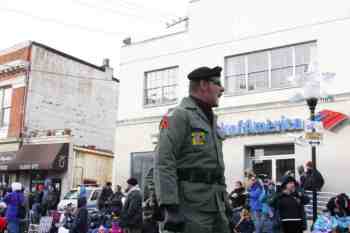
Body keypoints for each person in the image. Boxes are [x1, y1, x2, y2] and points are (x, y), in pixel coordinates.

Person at [154, 66, 228, 233]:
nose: (222, 88)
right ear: (203, 84)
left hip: (216, 205)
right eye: (217, 83)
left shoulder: (211, 119)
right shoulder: (178, 115)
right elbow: (164, 161)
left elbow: (217, 167)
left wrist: (226, 204)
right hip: (190, 207)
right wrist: (170, 206)